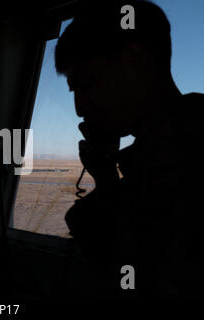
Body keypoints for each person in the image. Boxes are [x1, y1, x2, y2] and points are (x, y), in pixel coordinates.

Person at [55, 0, 204, 298]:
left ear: (133, 62)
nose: (79, 108)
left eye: (86, 85)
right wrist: (106, 176)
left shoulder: (185, 162)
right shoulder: (153, 157)